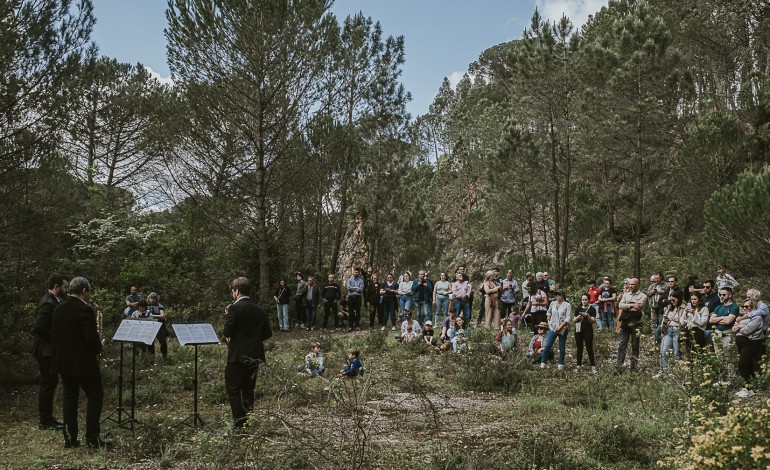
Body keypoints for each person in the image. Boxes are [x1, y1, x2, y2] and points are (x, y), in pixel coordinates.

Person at [51, 276, 110, 449]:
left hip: (63, 362)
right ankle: (92, 438)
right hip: (83, 363)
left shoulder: (58, 307)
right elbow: (91, 339)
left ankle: (70, 438)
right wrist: (100, 347)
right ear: (84, 291)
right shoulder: (85, 310)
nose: (89, 295)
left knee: (70, 398)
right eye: (88, 292)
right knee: (95, 395)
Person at [223, 277, 272, 428]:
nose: (232, 294)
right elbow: (267, 333)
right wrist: (253, 340)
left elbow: (227, 331)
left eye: (232, 291)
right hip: (255, 355)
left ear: (237, 291)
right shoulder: (260, 310)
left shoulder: (234, 308)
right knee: (248, 389)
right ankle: (248, 420)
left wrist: (227, 316)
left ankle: (239, 422)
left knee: (234, 389)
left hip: (237, 355)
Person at [32, 273, 69, 431]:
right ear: (56, 287)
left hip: (48, 350)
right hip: (45, 351)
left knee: (51, 383)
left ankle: (47, 419)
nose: (67, 290)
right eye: (65, 287)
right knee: (48, 383)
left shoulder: (54, 300)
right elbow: (38, 327)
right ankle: (45, 420)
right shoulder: (48, 302)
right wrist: (56, 341)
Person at [733, 299, 764, 398]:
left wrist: (740, 326)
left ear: (754, 307)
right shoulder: (743, 317)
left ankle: (749, 388)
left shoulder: (757, 318)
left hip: (751, 343)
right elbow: (734, 328)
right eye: (744, 306)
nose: (745, 308)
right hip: (742, 343)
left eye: (748, 306)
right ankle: (748, 387)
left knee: (742, 364)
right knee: (748, 365)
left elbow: (747, 331)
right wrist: (741, 325)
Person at [615, 278, 647, 373]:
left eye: (632, 284)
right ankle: (618, 367)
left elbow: (639, 308)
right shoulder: (625, 294)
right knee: (622, 345)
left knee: (635, 346)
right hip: (625, 324)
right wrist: (632, 305)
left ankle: (633, 367)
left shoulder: (643, 296)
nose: (630, 286)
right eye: (629, 284)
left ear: (637, 285)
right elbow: (621, 305)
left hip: (636, 324)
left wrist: (627, 305)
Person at [709, 287, 739, 376]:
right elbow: (711, 320)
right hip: (717, 335)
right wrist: (722, 317)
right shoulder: (718, 307)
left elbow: (728, 321)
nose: (721, 296)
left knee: (729, 357)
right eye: (720, 294)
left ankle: (731, 378)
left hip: (728, 335)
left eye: (724, 294)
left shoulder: (734, 306)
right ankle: (722, 378)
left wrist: (718, 319)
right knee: (719, 357)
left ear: (730, 295)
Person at [541, 289, 571, 370]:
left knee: (561, 346)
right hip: (553, 327)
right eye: (556, 295)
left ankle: (560, 364)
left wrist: (560, 326)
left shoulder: (567, 305)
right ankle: (543, 362)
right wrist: (549, 320)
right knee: (547, 345)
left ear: (563, 296)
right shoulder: (553, 303)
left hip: (562, 327)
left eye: (559, 295)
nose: (557, 296)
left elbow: (568, 318)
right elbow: (549, 312)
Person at [658, 291, 685, 372]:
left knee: (677, 352)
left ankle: (677, 372)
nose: (672, 302)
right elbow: (664, 319)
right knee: (664, 351)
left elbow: (684, 321)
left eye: (674, 300)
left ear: (679, 299)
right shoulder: (668, 308)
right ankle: (663, 370)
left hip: (677, 330)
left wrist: (677, 320)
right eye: (671, 300)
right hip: (668, 330)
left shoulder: (683, 308)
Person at [573, 294, 597, 373]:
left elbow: (592, 321)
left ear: (589, 300)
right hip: (578, 330)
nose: (584, 301)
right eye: (583, 300)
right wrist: (577, 318)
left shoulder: (592, 309)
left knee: (589, 348)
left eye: (586, 300)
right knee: (579, 348)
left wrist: (587, 316)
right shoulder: (578, 308)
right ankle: (578, 365)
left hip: (588, 330)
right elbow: (573, 320)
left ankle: (593, 366)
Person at [145, 293, 168, 359]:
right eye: (151, 298)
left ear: (156, 299)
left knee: (162, 342)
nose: (152, 300)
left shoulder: (159, 306)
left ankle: (165, 357)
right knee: (150, 342)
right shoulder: (146, 306)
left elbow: (163, 316)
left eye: (154, 299)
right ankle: (151, 359)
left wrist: (151, 316)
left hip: (159, 326)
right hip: (149, 326)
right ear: (149, 299)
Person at [647, 273, 666, 343]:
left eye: (658, 278)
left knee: (661, 322)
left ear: (661, 278)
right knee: (653, 322)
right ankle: (654, 337)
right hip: (653, 306)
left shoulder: (666, 285)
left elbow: (668, 293)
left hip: (662, 307)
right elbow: (648, 293)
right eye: (655, 278)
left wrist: (660, 292)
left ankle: (661, 337)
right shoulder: (652, 286)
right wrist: (652, 292)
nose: (656, 280)